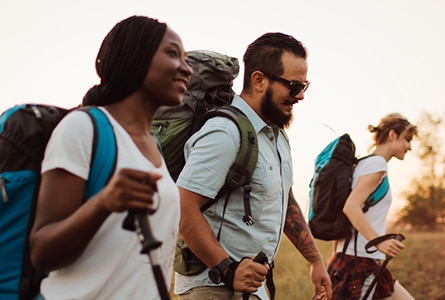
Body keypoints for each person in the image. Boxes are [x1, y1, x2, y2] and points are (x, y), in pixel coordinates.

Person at [29, 15, 192, 299]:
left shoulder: (154, 145)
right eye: (172, 53)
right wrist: (104, 203)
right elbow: (42, 252)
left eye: (186, 58)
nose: (186, 69)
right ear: (135, 56)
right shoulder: (82, 127)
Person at [174, 32, 332, 300]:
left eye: (304, 86)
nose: (300, 96)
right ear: (259, 80)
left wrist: (315, 261)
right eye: (294, 86)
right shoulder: (224, 132)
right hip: (212, 287)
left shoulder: (277, 137)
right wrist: (228, 270)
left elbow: (284, 198)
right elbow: (181, 206)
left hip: (252, 288)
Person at [326, 113, 418, 300]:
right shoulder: (377, 165)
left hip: (357, 259)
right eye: (407, 139)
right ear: (392, 135)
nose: (409, 146)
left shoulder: (363, 164)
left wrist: (336, 253)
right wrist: (380, 241)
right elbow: (350, 207)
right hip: (359, 261)